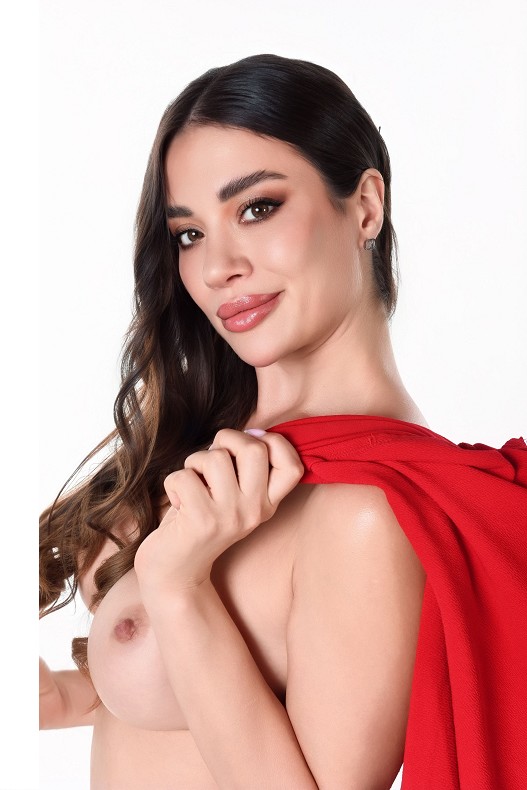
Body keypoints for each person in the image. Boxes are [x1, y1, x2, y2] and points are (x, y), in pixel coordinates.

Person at [39, 54, 527, 789]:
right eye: (189, 234)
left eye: (256, 208)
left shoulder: (363, 513)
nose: (217, 267)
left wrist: (179, 587)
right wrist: (63, 695)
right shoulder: (205, 440)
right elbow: (190, 714)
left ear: (366, 206)